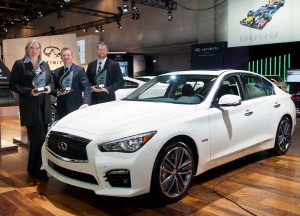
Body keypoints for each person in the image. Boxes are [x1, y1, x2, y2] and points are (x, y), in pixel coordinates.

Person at [9, 39, 54, 182]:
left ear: (40, 50)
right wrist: (30, 92)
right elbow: (13, 85)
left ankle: (33, 168)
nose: (35, 50)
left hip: (44, 106)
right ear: (27, 49)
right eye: (32, 48)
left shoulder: (44, 64)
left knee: (41, 139)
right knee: (37, 139)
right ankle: (38, 170)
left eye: (37, 48)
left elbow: (51, 82)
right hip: (30, 106)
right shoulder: (20, 64)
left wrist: (49, 88)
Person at [52, 47, 91, 119]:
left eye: (68, 55)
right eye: (63, 55)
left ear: (72, 57)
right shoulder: (57, 72)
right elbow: (52, 89)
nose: (66, 57)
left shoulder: (80, 70)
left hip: (76, 107)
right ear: (61, 57)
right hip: (61, 108)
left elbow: (86, 87)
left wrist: (86, 102)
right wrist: (58, 93)